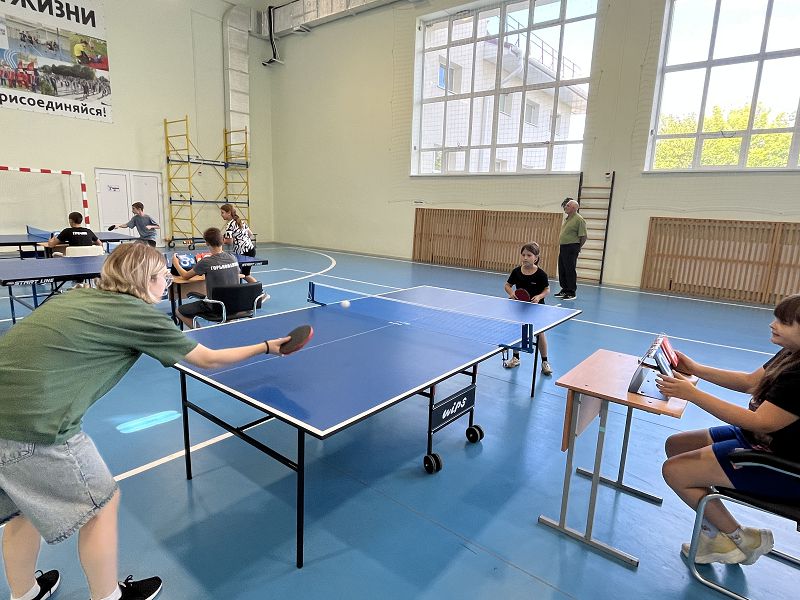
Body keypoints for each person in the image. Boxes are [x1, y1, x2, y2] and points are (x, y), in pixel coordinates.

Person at [0, 243, 291, 600]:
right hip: (34, 426)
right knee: (102, 506)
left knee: (23, 509)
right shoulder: (136, 314)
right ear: (144, 279)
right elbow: (208, 360)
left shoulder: (75, 297)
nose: (167, 282)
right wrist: (266, 346)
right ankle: (109, 596)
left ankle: (25, 593)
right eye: (162, 276)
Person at [657, 294, 800, 565]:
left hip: (783, 462)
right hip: (760, 440)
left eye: (784, 322)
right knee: (677, 446)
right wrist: (696, 369)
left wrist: (693, 394)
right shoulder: (791, 353)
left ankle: (740, 538)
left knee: (674, 471)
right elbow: (749, 382)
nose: (773, 325)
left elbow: (760, 422)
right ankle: (716, 536)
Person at [172, 227, 241, 329]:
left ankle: (199, 331)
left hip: (215, 307)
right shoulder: (233, 257)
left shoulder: (206, 262)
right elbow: (237, 272)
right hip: (235, 306)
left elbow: (185, 276)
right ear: (222, 240)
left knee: (179, 311)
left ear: (207, 243)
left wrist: (176, 263)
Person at [502, 242, 552, 375]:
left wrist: (539, 296)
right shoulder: (516, 272)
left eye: (529, 255)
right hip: (520, 306)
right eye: (523, 255)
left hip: (536, 307)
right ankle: (515, 358)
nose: (525, 257)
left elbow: (547, 289)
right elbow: (507, 285)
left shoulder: (541, 274)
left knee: (540, 333)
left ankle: (545, 362)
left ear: (536, 258)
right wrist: (511, 293)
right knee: (516, 330)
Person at [554, 198, 586, 301]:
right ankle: (564, 289)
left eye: (567, 205)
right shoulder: (567, 219)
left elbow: (583, 236)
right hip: (564, 247)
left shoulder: (579, 219)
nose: (565, 207)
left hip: (572, 247)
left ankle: (571, 292)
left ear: (574, 208)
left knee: (570, 270)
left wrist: (578, 247)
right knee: (562, 268)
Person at [220, 203, 257, 284]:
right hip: (250, 250)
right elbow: (250, 234)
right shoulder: (241, 222)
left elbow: (229, 241)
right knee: (239, 272)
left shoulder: (230, 225)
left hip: (244, 252)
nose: (221, 215)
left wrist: (219, 240)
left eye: (222, 213)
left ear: (229, 213)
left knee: (245, 275)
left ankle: (259, 289)